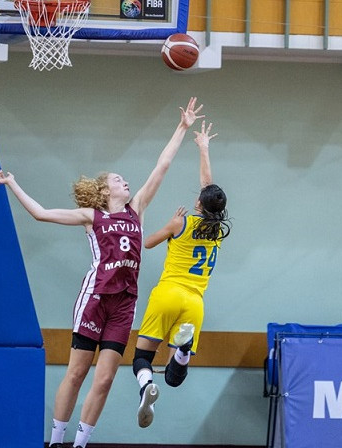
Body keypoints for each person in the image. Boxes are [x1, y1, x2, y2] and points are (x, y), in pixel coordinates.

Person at [0, 97, 204, 448]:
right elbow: (42, 214)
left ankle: (80, 444)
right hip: (95, 298)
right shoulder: (93, 216)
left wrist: (182, 128)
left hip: (124, 304)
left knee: (104, 380)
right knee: (76, 373)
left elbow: (162, 166)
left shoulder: (137, 210)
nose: (126, 182)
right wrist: (13, 184)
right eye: (119, 180)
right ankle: (56, 441)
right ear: (106, 191)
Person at [132, 120, 231, 428]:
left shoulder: (182, 223)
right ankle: (183, 350)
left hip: (167, 293)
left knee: (141, 359)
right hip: (195, 302)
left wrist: (168, 223)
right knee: (175, 378)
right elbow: (209, 188)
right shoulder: (217, 231)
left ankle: (146, 386)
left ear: (198, 203)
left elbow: (147, 243)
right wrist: (204, 148)